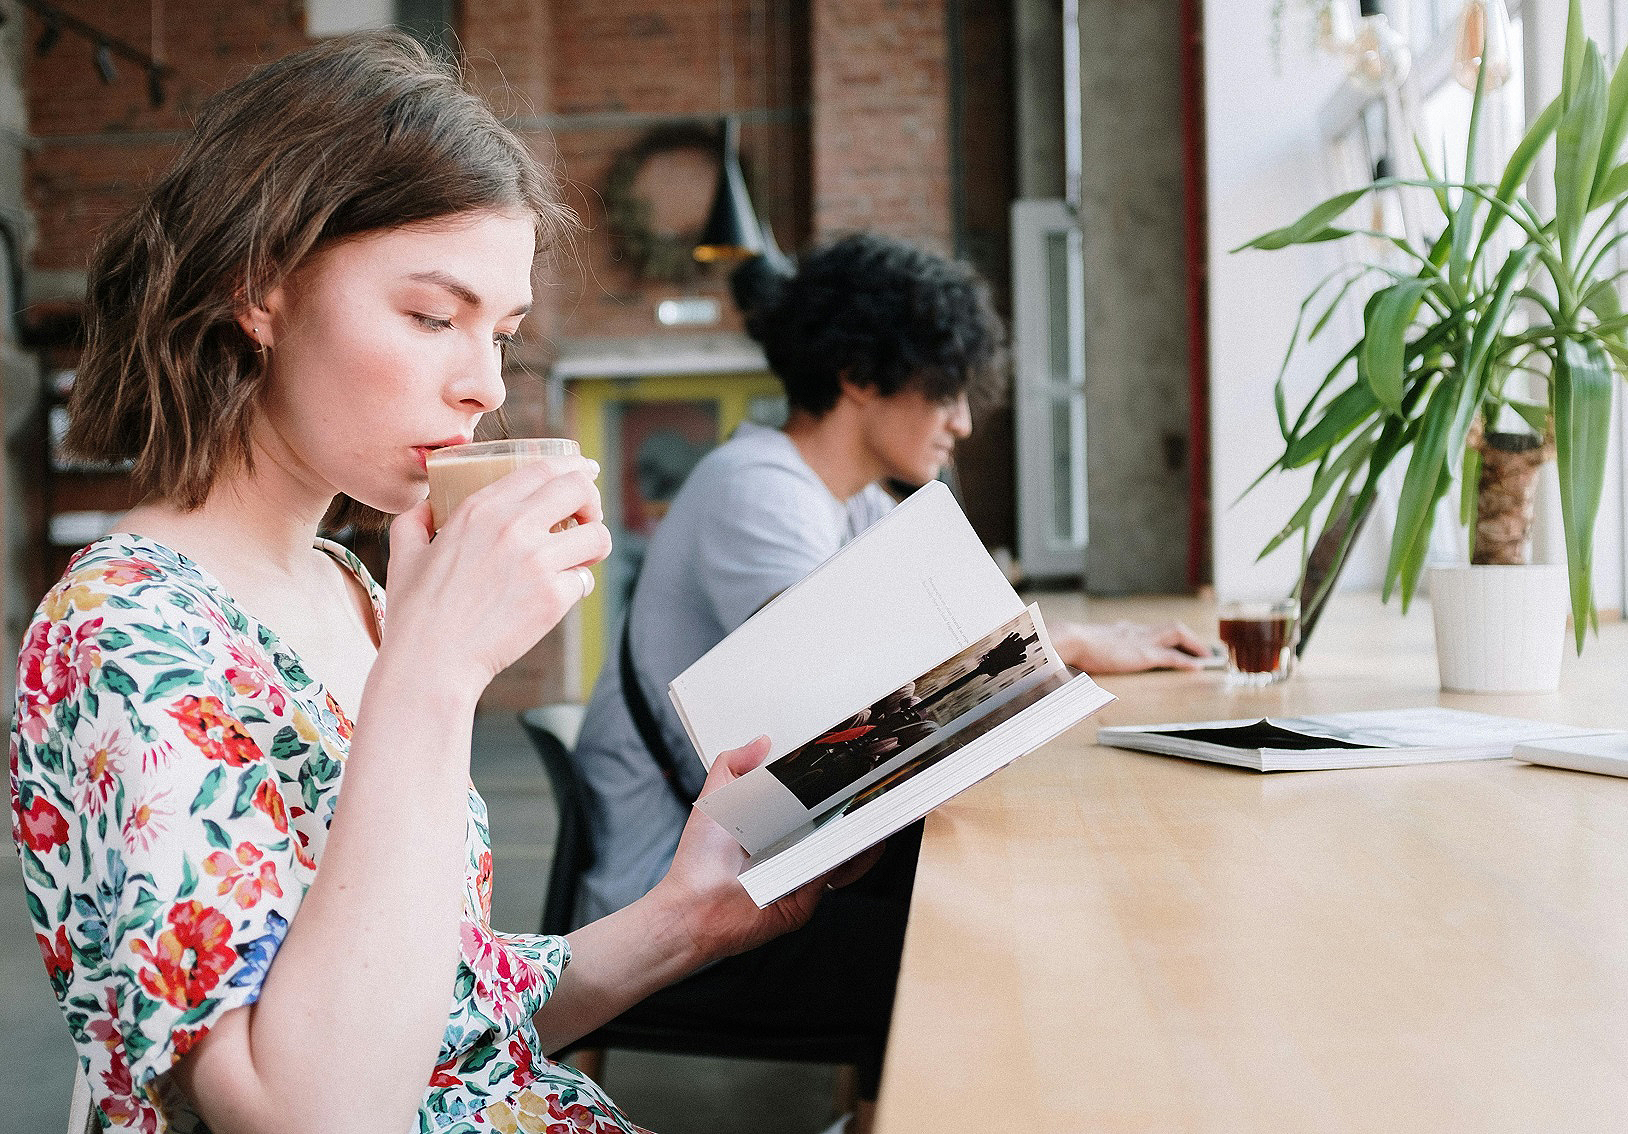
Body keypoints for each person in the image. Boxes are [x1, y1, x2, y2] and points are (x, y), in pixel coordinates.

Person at [8, 33, 863, 1134]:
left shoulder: (345, 586)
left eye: (498, 332)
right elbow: (315, 1112)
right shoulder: (124, 630)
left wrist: (689, 921)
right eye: (430, 317)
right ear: (259, 290)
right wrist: (436, 669)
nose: (484, 385)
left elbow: (433, 1030)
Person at [569, 232, 1210, 1134]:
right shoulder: (757, 492)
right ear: (862, 375)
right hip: (674, 902)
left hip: (755, 868)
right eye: (945, 390)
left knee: (985, 899)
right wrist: (1055, 648)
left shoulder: (852, 500)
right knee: (981, 944)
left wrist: (1059, 647)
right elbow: (872, 707)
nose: (964, 421)